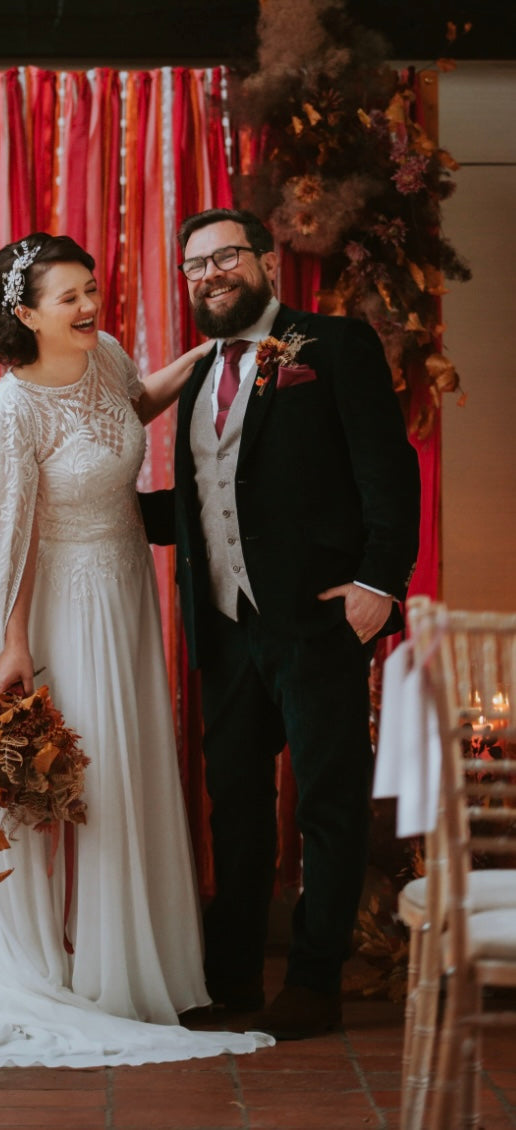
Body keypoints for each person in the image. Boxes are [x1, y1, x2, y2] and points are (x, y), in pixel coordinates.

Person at [0, 232, 272, 1067]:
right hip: (58, 602)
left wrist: (213, 352)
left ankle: (134, 972)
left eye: (92, 289)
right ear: (23, 314)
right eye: (69, 297)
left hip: (127, 590)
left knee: (126, 767)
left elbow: (132, 405)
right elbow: (10, 539)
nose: (89, 306)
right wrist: (12, 646)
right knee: (71, 782)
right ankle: (56, 970)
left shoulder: (103, 354)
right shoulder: (12, 409)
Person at [140, 208, 421, 1041]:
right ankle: (232, 980)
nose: (211, 274)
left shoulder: (332, 346)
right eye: (194, 265)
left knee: (328, 802)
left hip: (317, 619)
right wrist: (97, 508)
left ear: (265, 260)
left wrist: (381, 581)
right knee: (234, 805)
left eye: (226, 256)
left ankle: (313, 979)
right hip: (223, 625)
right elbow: (200, 500)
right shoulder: (194, 376)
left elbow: (387, 467)